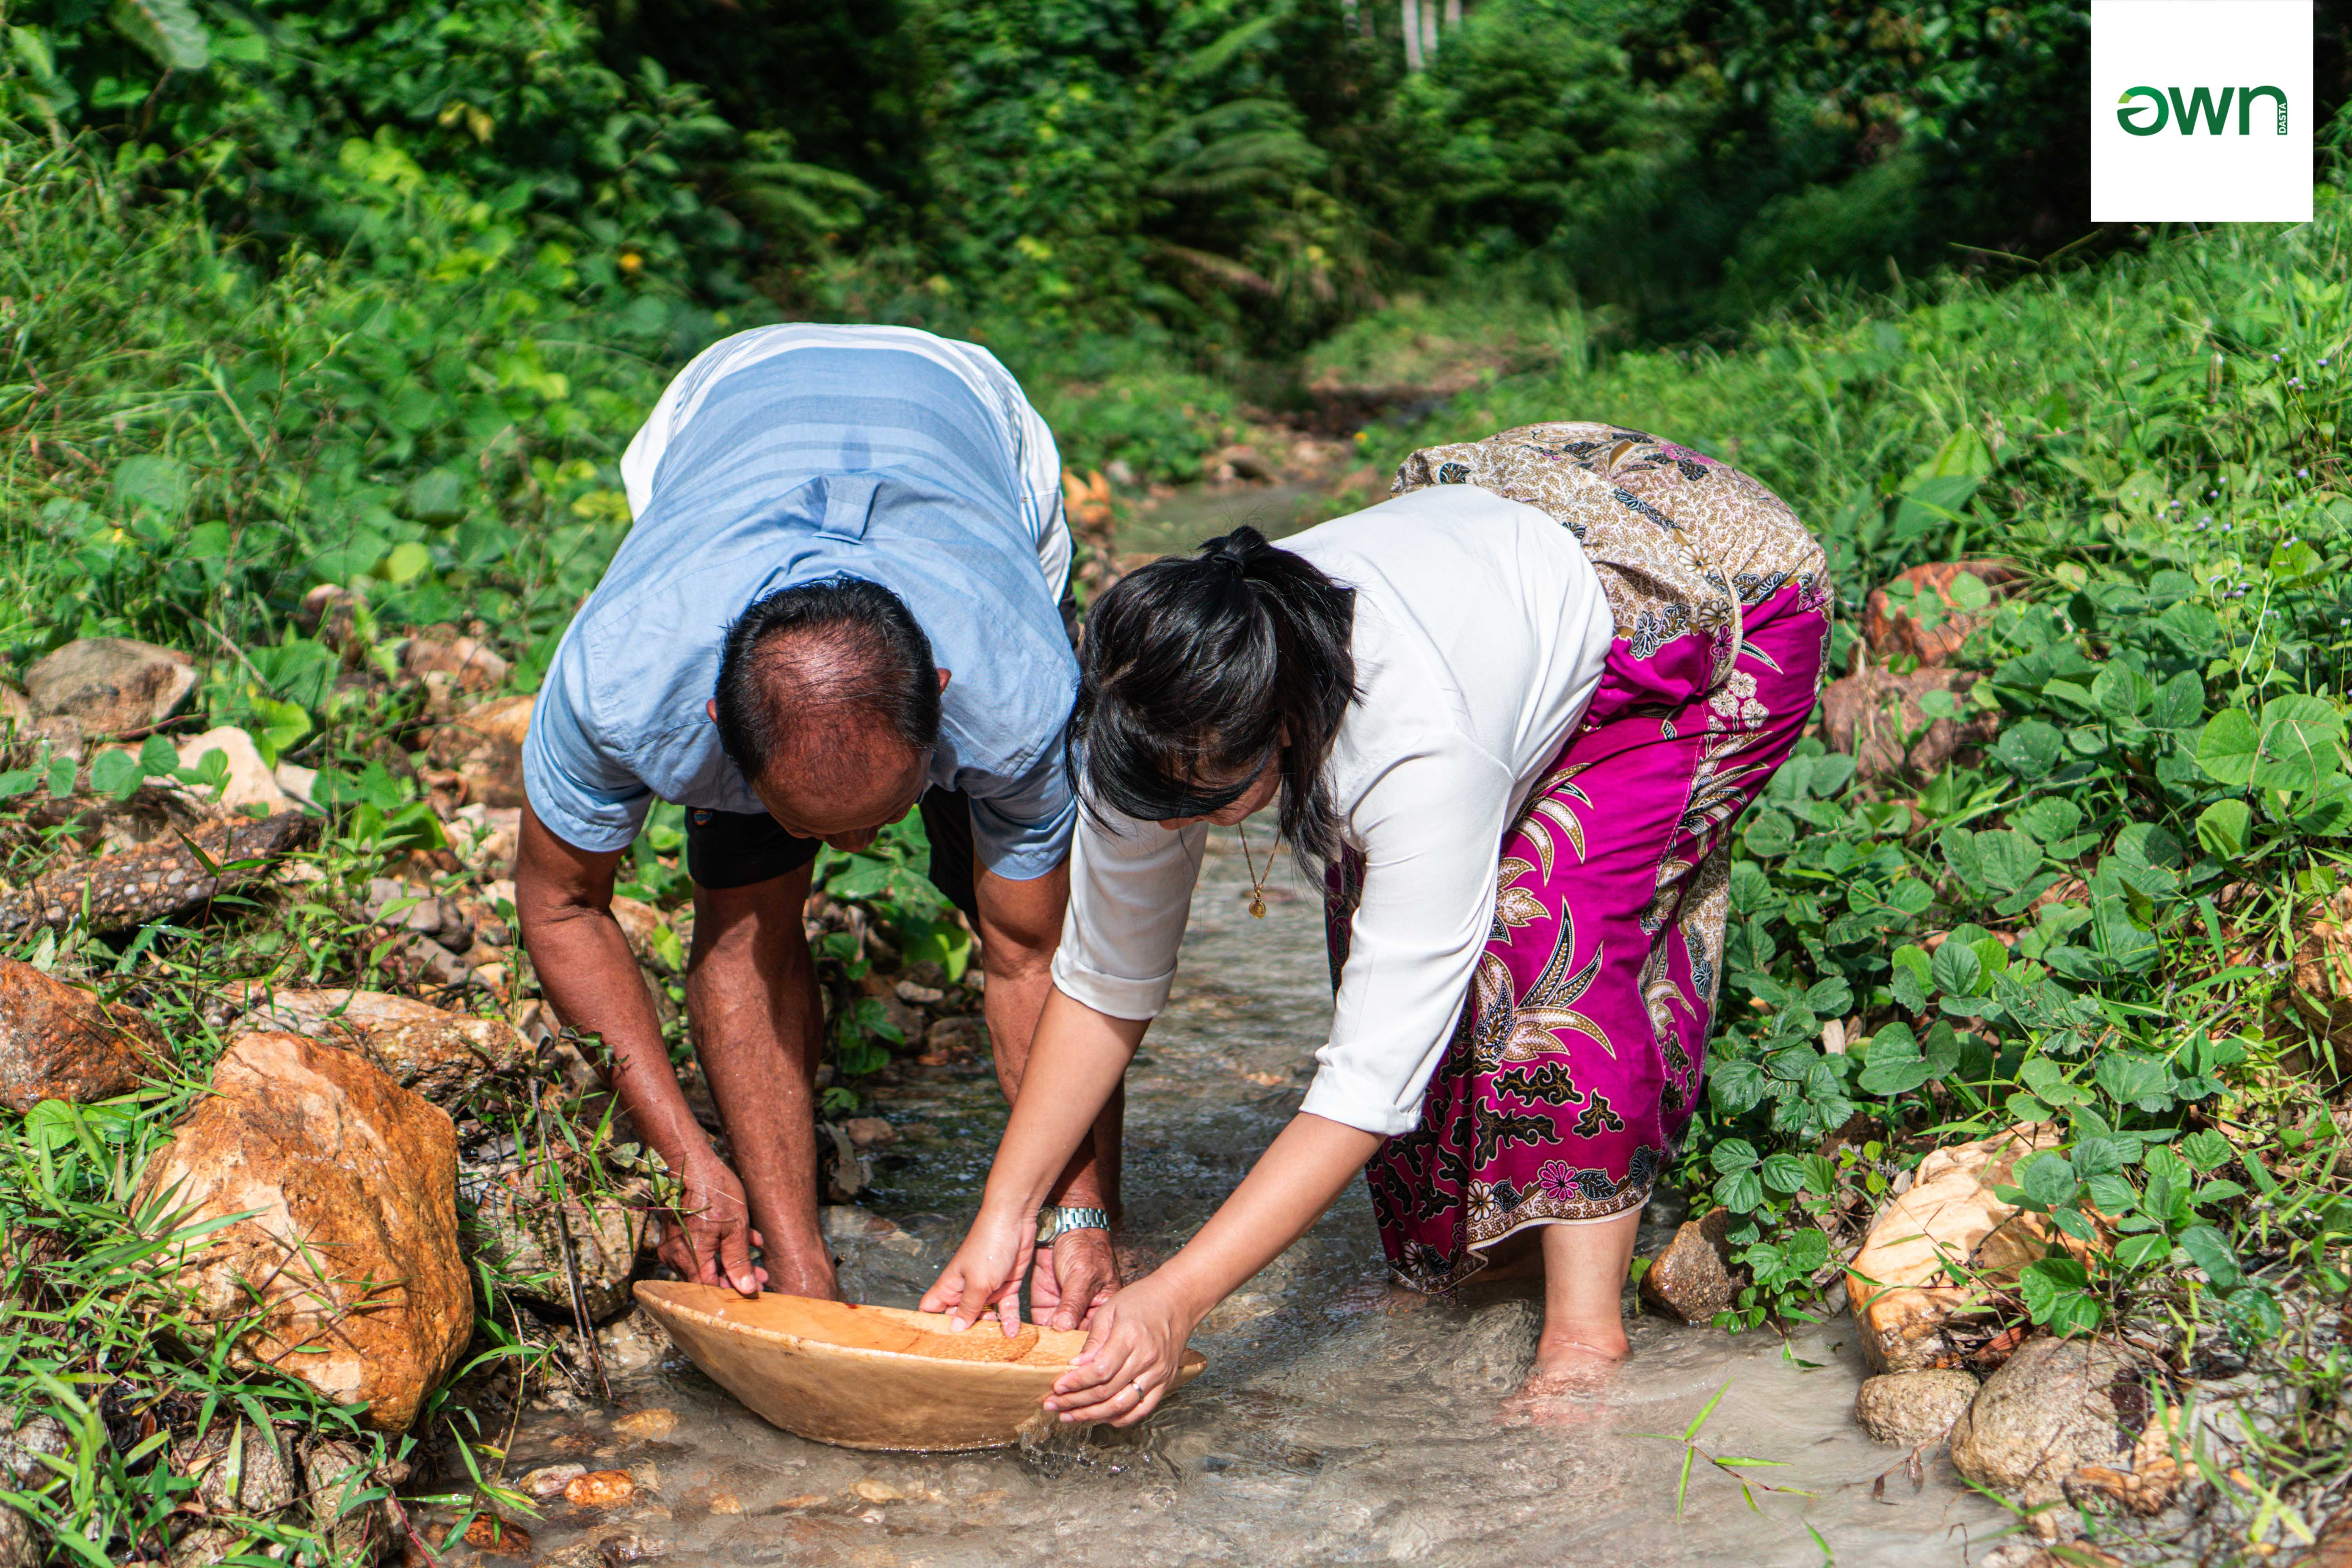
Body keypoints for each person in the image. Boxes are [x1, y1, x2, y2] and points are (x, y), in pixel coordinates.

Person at [922, 422, 1831, 1423]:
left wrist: (1177, 1298)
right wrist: (1007, 1217)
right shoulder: (1152, 702)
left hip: (1695, 586)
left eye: (1206, 805)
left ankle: (1585, 1329)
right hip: (1507, 541)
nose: (1176, 829)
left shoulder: (1418, 745)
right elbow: (1104, 979)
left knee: (1551, 924)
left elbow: (1370, 1075)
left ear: (1286, 728)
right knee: (1381, 930)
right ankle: (1468, 1262)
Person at [515, 324, 1120, 1327]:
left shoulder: (1018, 688)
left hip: (968, 413)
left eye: (880, 816)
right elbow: (564, 904)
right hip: (729, 402)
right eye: (811, 820)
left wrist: (1080, 1215)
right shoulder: (627, 675)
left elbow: (1034, 958)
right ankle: (804, 1275)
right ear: (717, 725)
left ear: (941, 697)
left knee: (1015, 907)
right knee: (747, 896)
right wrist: (689, 1161)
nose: (848, 853)